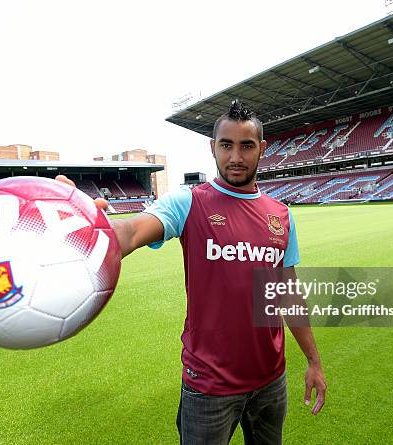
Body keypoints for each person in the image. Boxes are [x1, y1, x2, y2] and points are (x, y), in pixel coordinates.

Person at [56, 100, 326, 444]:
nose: (236, 157)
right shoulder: (189, 202)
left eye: (246, 146)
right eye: (226, 145)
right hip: (209, 386)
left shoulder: (281, 216)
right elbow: (132, 232)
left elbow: (288, 295)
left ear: (262, 148)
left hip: (271, 382)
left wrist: (314, 361)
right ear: (213, 147)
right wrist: (93, 227)